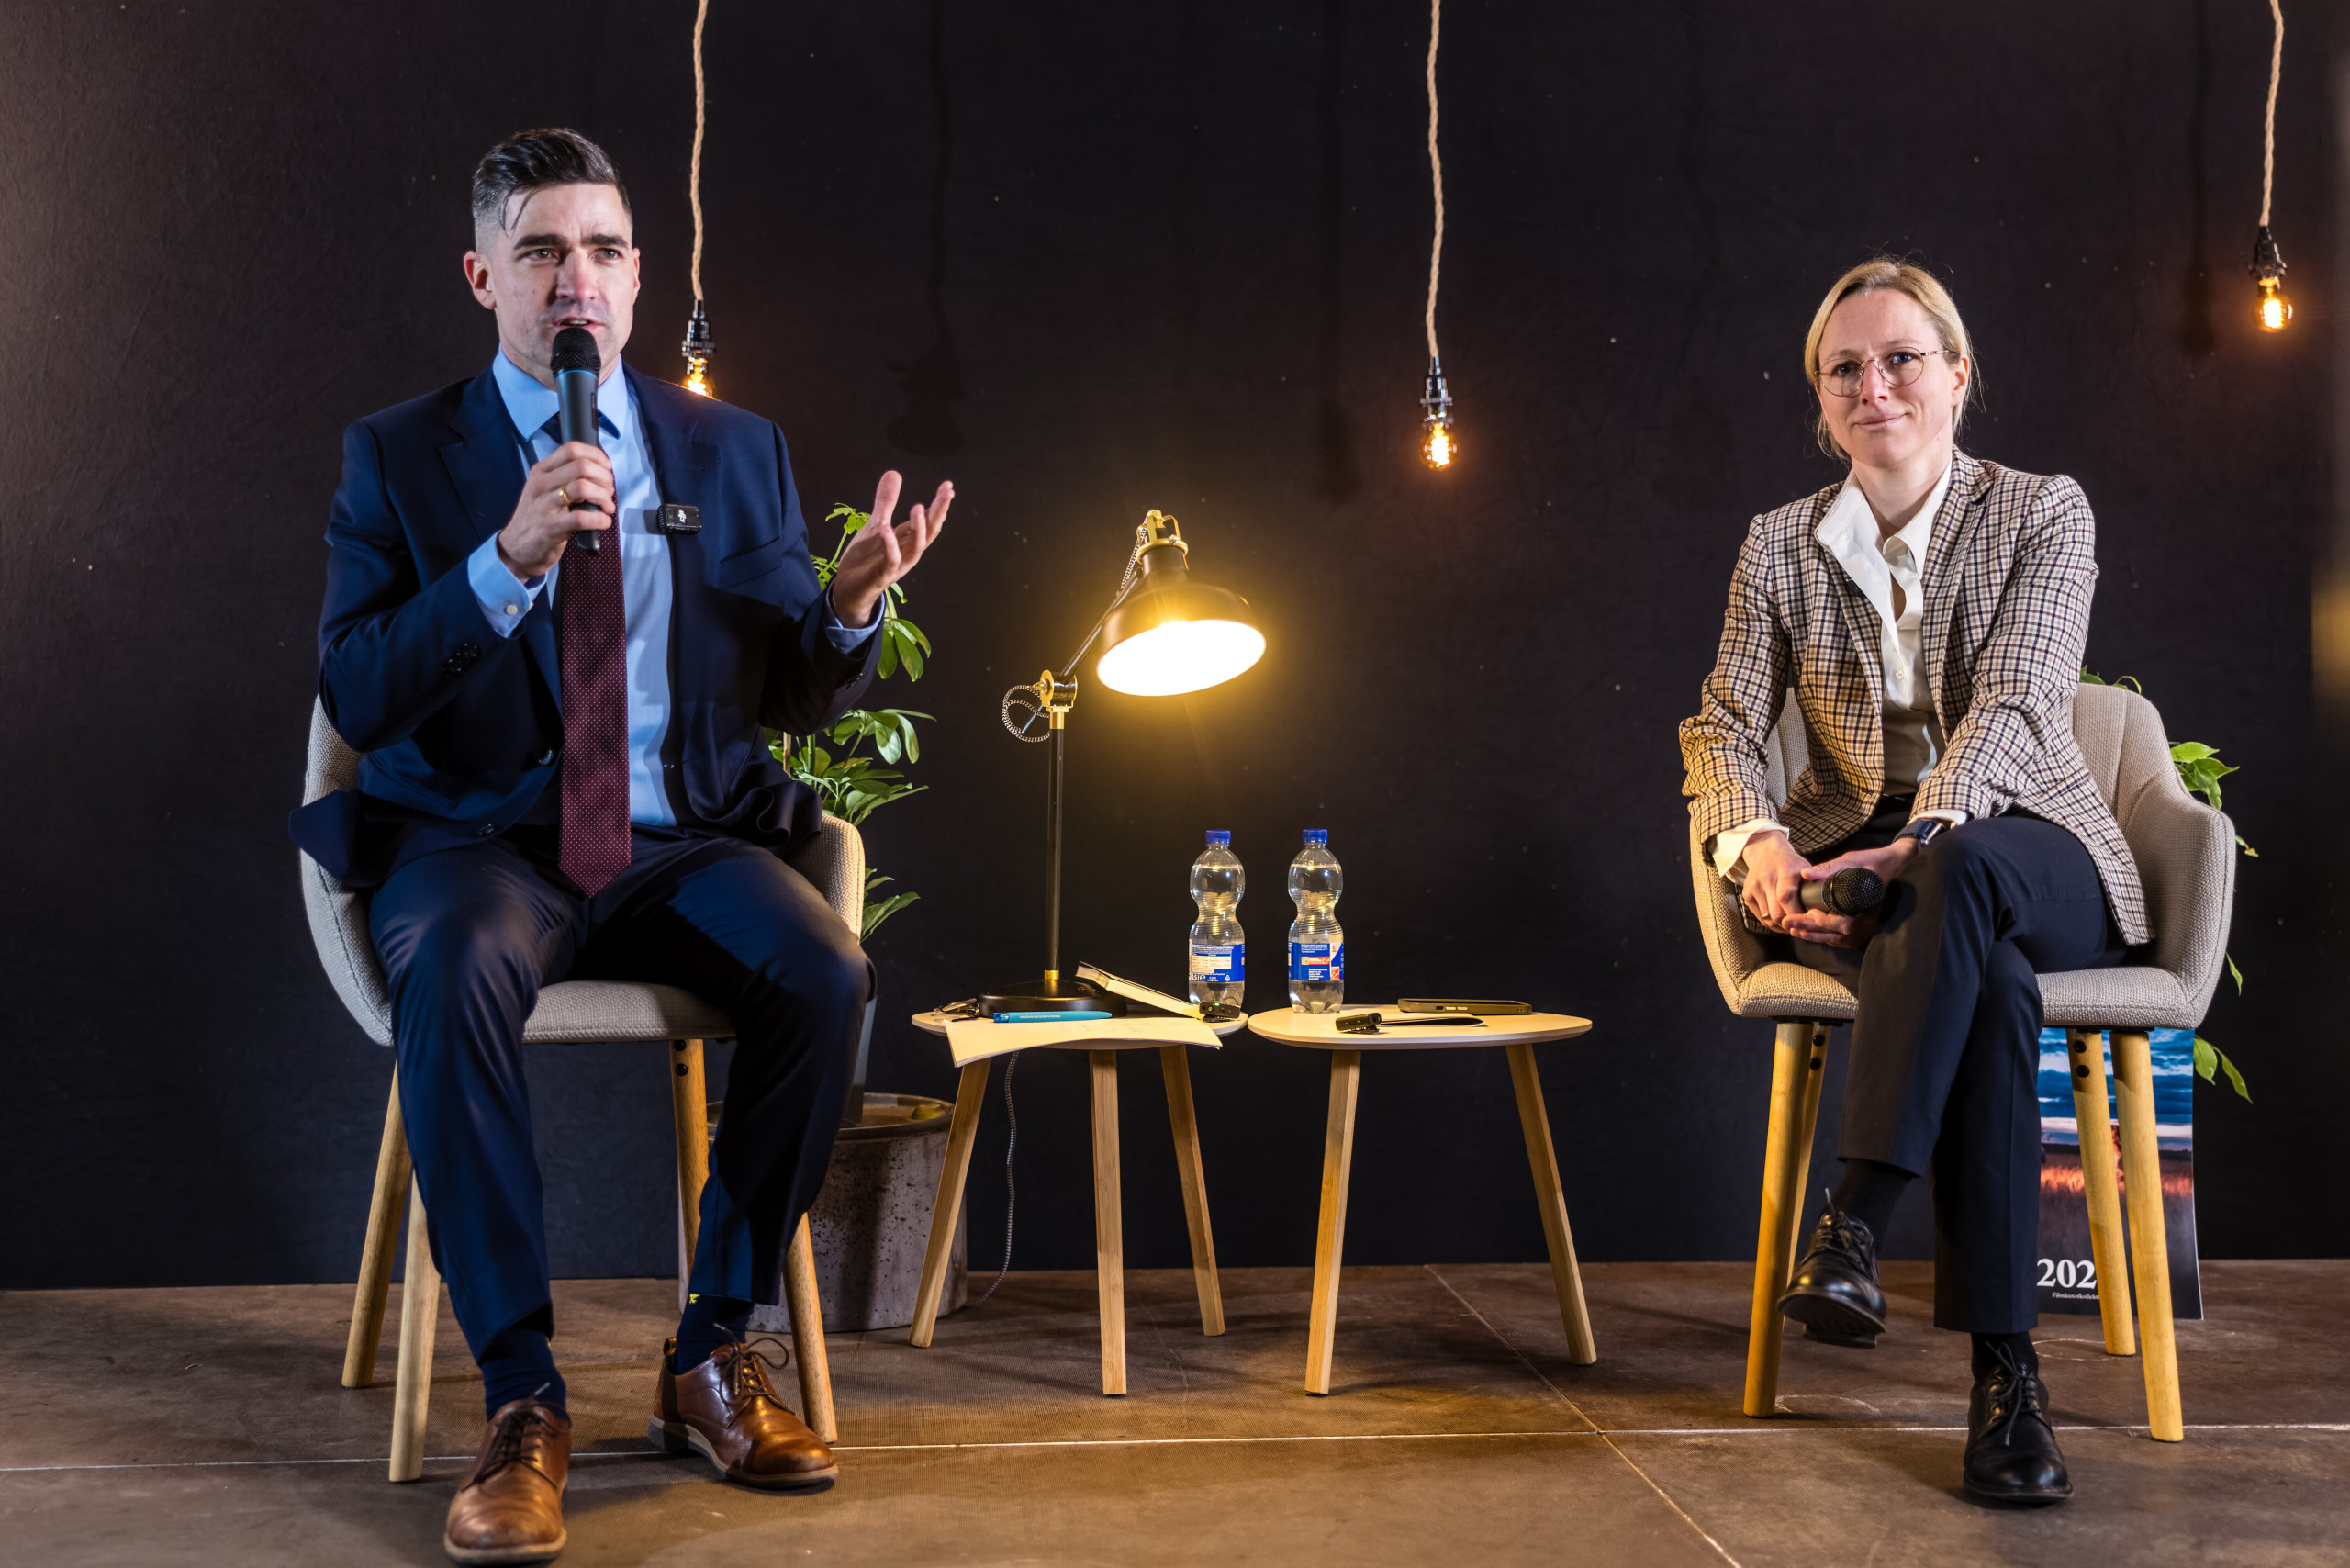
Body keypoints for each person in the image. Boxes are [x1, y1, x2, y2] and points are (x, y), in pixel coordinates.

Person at [290, 129, 950, 1565]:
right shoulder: (400, 454)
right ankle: (522, 1400)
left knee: (827, 973)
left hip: (678, 839)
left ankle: (711, 1354)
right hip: (483, 842)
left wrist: (845, 614)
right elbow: (360, 690)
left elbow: (783, 699)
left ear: (640, 277)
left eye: (600, 250)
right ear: (484, 279)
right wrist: (502, 561)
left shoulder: (734, 448)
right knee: (453, 967)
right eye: (539, 251)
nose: (573, 280)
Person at [1679, 256, 2144, 1506]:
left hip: (2028, 839)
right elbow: (1725, 723)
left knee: (1964, 872)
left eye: (1900, 359)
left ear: (1958, 375)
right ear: (1821, 398)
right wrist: (1757, 845)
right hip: (1856, 866)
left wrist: (1924, 839)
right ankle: (2007, 1383)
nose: (1873, 385)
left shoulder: (2043, 511)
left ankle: (1851, 1222)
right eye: (1846, 368)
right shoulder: (1779, 544)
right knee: (1989, 985)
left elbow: (2021, 700)